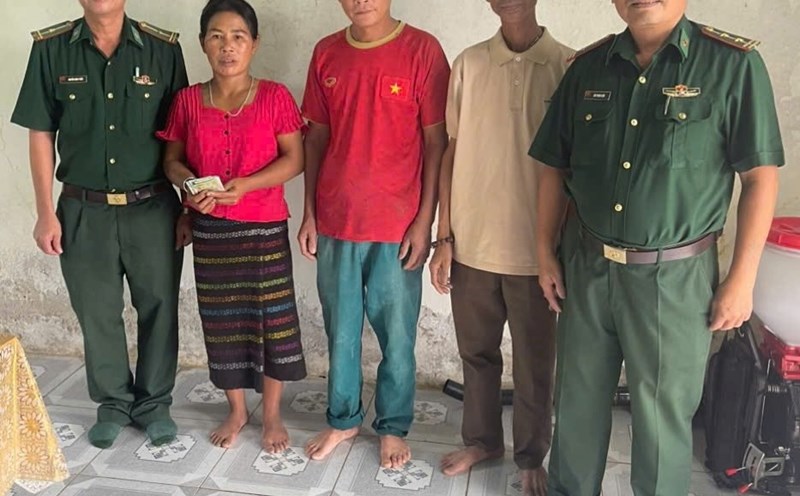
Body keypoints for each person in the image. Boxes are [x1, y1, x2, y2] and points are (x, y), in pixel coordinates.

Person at [528, 0, 784, 494]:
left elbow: (759, 178)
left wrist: (742, 278)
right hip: (587, 265)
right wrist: (544, 251)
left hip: (676, 278)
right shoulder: (587, 68)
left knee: (662, 417)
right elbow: (554, 166)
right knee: (577, 403)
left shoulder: (731, 65)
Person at [11, 0, 188, 449]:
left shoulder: (161, 50)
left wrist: (187, 207)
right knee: (97, 312)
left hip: (152, 207)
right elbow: (39, 133)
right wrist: (44, 210)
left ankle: (153, 405)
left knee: (159, 308)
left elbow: (185, 132)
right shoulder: (51, 50)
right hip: (82, 209)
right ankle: (112, 403)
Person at [298, 0, 450, 469]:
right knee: (340, 332)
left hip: (398, 227)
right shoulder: (326, 53)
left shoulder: (423, 51)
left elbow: (436, 143)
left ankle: (392, 425)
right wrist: (308, 213)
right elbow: (316, 139)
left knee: (397, 336)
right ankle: (343, 418)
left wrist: (426, 222)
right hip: (335, 220)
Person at [428, 1, 572, 494]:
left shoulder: (568, 66)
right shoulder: (467, 63)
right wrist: (444, 237)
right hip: (471, 244)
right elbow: (450, 151)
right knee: (477, 354)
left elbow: (573, 169)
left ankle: (531, 456)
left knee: (535, 363)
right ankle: (483, 440)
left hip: (537, 251)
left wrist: (557, 248)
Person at [158, 0, 307, 452]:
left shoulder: (275, 96)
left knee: (272, 322)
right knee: (222, 324)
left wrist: (246, 186)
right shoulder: (186, 101)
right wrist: (188, 187)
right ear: (203, 43)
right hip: (211, 233)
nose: (227, 46)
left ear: (254, 44)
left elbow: (295, 159)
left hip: (262, 229)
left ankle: (274, 415)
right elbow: (171, 161)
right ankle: (238, 410)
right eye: (217, 36)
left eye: (238, 36)